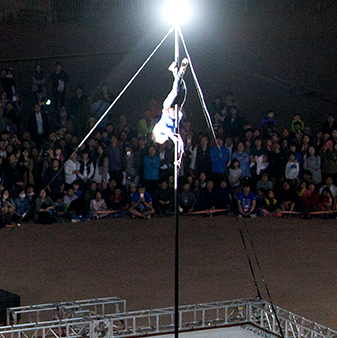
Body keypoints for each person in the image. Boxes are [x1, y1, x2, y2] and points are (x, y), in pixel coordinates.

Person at [152, 58, 189, 165]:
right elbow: (180, 141)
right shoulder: (169, 134)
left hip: (168, 106)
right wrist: (179, 157)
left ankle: (181, 69)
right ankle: (174, 71)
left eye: (161, 139)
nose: (164, 140)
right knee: (183, 89)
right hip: (177, 109)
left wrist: (172, 137)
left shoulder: (158, 129)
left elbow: (168, 133)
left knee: (176, 90)